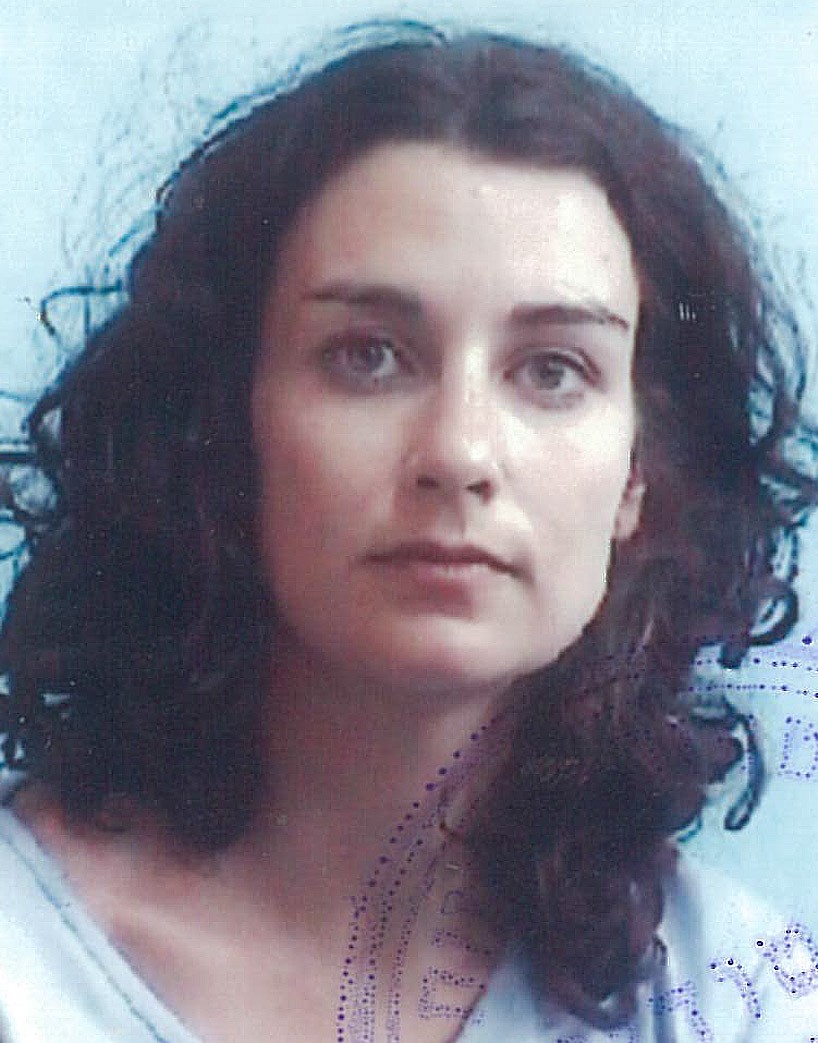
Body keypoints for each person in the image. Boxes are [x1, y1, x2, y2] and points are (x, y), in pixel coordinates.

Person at [1, 18, 817, 1043]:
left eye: (551, 370)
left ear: (638, 476)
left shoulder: (740, 1001)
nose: (459, 452)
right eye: (369, 356)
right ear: (226, 422)